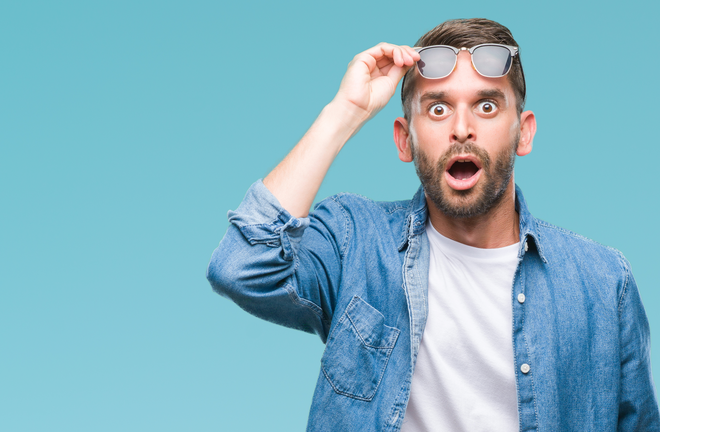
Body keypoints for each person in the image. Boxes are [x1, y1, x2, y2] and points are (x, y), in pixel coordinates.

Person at [206, 18, 659, 432]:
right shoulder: (355, 241)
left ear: (523, 132)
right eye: (438, 110)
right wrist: (346, 112)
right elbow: (242, 266)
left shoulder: (603, 282)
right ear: (405, 140)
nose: (461, 128)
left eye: (486, 106)